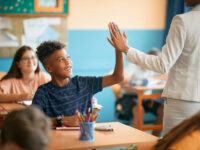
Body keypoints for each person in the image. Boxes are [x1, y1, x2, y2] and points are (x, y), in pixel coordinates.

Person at [107, 0, 200, 134]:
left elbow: (162, 65)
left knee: (173, 145)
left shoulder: (183, 21)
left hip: (182, 101)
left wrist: (126, 49)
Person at [32, 40, 123, 127]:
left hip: (85, 138)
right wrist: (62, 120)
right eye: (61, 60)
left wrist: (119, 50)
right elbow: (31, 119)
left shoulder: (83, 83)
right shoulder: (43, 92)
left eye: (68, 57)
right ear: (49, 69)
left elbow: (117, 78)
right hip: (59, 141)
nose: (68, 62)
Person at [116, 48, 164, 136]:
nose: (151, 66)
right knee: (139, 109)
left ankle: (154, 140)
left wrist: (150, 79)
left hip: (146, 98)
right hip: (129, 97)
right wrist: (138, 83)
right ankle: (137, 142)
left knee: (163, 109)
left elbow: (165, 77)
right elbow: (122, 81)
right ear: (146, 59)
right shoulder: (134, 65)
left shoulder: (155, 68)